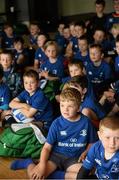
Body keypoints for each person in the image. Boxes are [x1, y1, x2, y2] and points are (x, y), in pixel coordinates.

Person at [10, 88, 97, 179]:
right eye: (62, 105)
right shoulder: (56, 123)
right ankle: (28, 163)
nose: (65, 109)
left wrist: (86, 152)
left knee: (86, 175)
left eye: (70, 106)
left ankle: (57, 174)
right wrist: (42, 165)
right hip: (55, 157)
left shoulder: (86, 122)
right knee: (35, 177)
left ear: (79, 108)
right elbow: (47, 147)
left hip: (74, 158)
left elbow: (92, 142)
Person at [77, 114, 119, 179]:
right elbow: (84, 171)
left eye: (117, 138)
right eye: (107, 138)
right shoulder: (95, 148)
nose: (112, 143)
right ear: (100, 136)